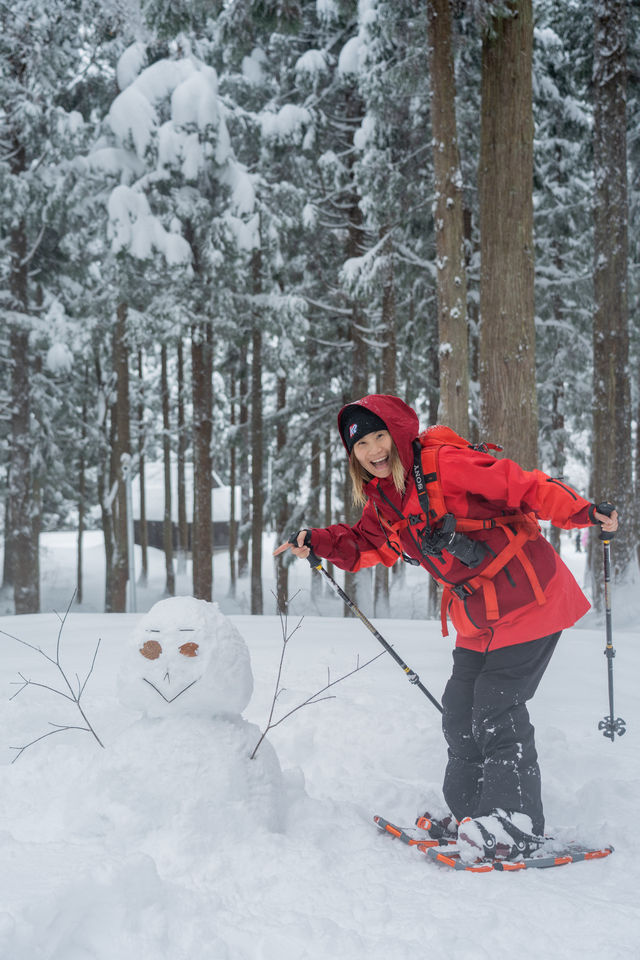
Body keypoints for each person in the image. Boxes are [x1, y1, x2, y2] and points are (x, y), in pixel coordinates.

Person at [274, 394, 618, 862]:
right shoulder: (384, 498)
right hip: (478, 614)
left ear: (397, 433)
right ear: (352, 454)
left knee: (497, 703)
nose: (374, 450)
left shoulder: (444, 463)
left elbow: (522, 486)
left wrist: (581, 511)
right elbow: (367, 545)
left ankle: (514, 822)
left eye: (379, 436)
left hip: (528, 597)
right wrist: (319, 541)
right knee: (459, 709)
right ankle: (474, 815)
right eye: (361, 445)